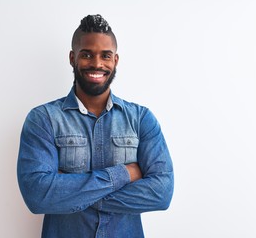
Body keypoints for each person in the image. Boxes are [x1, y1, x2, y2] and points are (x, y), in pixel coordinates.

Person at [17, 14, 174, 238]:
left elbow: (162, 193)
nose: (97, 64)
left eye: (105, 56)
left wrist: (69, 193)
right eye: (87, 55)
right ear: (72, 58)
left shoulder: (141, 119)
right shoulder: (43, 119)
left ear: (115, 60)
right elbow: (38, 196)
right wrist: (124, 174)